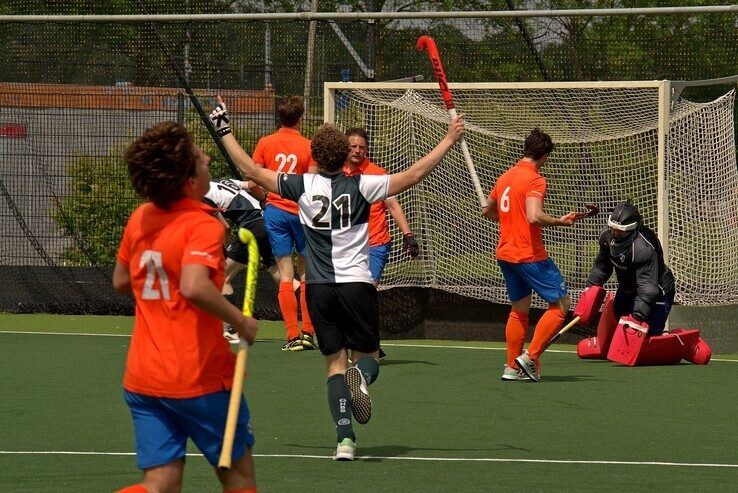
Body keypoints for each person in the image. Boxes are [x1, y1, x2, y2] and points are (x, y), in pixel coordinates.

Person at [210, 96, 464, 461]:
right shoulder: (363, 186)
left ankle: (345, 441)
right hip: (357, 285)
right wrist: (448, 139)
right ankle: (361, 377)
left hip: (319, 288)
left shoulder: (303, 186)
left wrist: (224, 129)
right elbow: (414, 175)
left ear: (316, 154)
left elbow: (250, 170)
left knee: (333, 367)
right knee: (369, 357)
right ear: (346, 155)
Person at [112, 122, 258, 492]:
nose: (208, 157)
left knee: (160, 483)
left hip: (144, 377)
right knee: (239, 479)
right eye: (199, 156)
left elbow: (121, 281)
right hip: (198, 378)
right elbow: (193, 286)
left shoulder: (139, 218)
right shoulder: (202, 225)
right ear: (190, 181)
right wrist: (240, 320)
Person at [482, 127, 581, 382]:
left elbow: (489, 211)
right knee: (561, 305)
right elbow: (534, 216)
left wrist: (511, 219)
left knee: (519, 310)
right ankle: (530, 358)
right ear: (544, 155)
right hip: (529, 254)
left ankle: (511, 367)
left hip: (505, 254)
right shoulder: (535, 179)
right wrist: (560, 221)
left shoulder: (505, 177)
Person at [343, 127, 420, 361]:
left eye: (362, 147)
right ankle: (364, 339)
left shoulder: (377, 173)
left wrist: (408, 234)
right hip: (348, 246)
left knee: (365, 291)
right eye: (353, 146)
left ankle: (367, 341)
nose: (357, 151)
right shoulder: (337, 173)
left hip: (376, 244)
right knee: (349, 295)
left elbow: (393, 205)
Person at [251, 95, 317, 351]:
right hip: (301, 213)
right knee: (306, 275)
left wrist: (266, 198)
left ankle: (292, 335)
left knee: (286, 276)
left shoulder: (265, 143)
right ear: (300, 118)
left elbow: (255, 179)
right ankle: (309, 332)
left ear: (280, 116)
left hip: (276, 212)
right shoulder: (308, 146)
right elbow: (310, 184)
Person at [574, 201, 679, 360]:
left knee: (638, 346)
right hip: (627, 290)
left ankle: (673, 340)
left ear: (631, 230)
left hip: (657, 294)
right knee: (612, 341)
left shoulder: (643, 248)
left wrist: (636, 319)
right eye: (612, 229)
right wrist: (591, 289)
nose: (614, 234)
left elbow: (648, 290)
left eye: (620, 231)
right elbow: (602, 267)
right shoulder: (606, 238)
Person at [204, 178, 299, 343]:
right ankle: (317, 311)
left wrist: (226, 249)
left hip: (251, 228)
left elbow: (225, 227)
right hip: (266, 222)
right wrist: (263, 199)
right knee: (282, 276)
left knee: (221, 276)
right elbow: (253, 184)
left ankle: (233, 328)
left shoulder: (200, 193)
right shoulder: (222, 181)